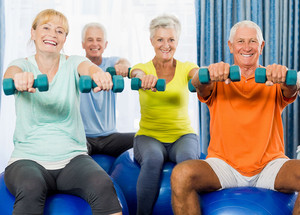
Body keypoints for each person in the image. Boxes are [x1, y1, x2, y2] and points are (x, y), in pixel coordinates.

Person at [171, 20, 300, 215]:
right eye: (240, 41)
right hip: (224, 166)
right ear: (231, 46)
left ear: (261, 46)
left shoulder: (273, 79)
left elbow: (292, 88)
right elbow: (197, 83)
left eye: (253, 41)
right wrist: (205, 73)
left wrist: (286, 77)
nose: (246, 47)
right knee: (181, 174)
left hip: (269, 166)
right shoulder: (216, 79)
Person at [3, 9, 122, 215]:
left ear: (65, 38)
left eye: (59, 31)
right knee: (31, 188)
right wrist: (18, 79)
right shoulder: (21, 65)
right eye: (46, 28)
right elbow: (11, 74)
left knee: (104, 185)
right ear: (33, 33)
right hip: (28, 159)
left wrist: (98, 74)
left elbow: (88, 68)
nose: (52, 34)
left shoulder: (73, 63)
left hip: (72, 158)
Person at [130, 14, 200, 215]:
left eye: (171, 39)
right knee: (152, 159)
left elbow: (197, 74)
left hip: (182, 135)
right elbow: (135, 73)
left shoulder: (186, 67)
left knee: (187, 162)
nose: (166, 45)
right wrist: (143, 78)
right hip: (149, 136)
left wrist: (203, 77)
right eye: (160, 39)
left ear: (177, 41)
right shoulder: (142, 68)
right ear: (152, 41)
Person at [80, 22, 134, 157]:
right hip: (83, 137)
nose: (94, 44)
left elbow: (125, 62)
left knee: (143, 139)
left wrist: (123, 66)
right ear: (83, 44)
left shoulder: (111, 64)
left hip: (110, 137)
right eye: (90, 40)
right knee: (72, 155)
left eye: (99, 40)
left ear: (105, 44)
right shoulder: (77, 65)